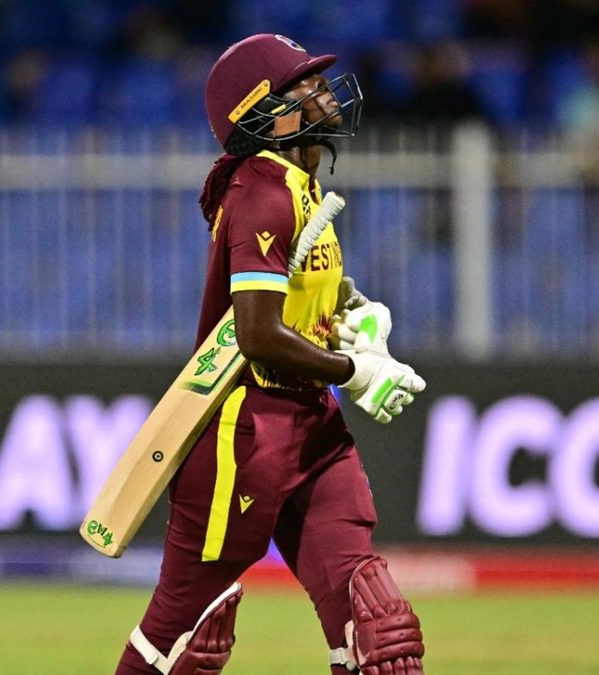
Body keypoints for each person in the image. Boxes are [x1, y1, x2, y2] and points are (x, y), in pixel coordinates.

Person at [113, 34, 427, 675]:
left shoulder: (301, 186)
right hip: (243, 434)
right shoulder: (262, 191)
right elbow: (255, 336)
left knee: (377, 630)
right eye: (302, 86)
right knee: (184, 642)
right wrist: (354, 370)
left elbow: (294, 303)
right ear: (266, 114)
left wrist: (351, 314)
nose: (322, 92)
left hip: (313, 429)